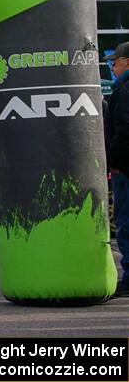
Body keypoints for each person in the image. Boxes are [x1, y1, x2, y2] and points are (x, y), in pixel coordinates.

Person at [105, 42, 129, 298]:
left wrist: (113, 160)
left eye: (116, 61)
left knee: (126, 223)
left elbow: (124, 130)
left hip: (125, 168)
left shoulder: (122, 89)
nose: (112, 66)